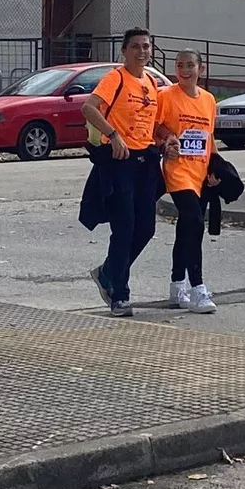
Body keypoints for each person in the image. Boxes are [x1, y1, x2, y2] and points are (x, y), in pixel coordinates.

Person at [81, 28, 174, 318]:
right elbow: (89, 107)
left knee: (145, 228)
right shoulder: (115, 78)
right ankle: (120, 294)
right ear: (124, 51)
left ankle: (109, 271)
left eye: (146, 46)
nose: (142, 51)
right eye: (136, 46)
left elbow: (155, 123)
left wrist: (167, 139)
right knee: (124, 228)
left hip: (146, 161)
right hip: (120, 161)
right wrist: (114, 135)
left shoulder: (150, 82)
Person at [156, 48, 218, 312]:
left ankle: (176, 285)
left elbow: (209, 137)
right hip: (177, 171)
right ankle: (198, 289)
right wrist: (167, 140)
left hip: (201, 172)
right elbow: (155, 127)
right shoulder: (166, 96)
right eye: (180, 65)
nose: (185, 70)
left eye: (190, 65)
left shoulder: (208, 100)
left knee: (187, 228)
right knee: (194, 221)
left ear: (201, 69)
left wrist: (217, 167)